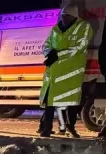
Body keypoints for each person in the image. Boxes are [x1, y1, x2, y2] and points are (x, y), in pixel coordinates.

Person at [38, 5, 93, 138]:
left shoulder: (84, 27)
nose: (63, 18)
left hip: (71, 73)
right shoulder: (55, 29)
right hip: (54, 73)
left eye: (67, 16)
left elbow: (80, 47)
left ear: (74, 16)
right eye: (62, 15)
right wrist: (50, 53)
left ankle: (70, 127)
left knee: (71, 103)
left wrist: (57, 55)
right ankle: (47, 128)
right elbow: (46, 45)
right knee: (50, 102)